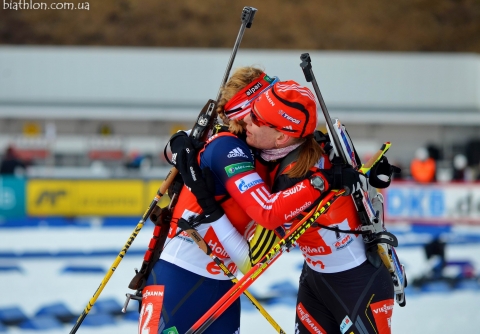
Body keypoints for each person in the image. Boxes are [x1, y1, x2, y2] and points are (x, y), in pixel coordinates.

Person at [139, 67, 356, 334]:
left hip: (224, 286)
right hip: (182, 278)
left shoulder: (265, 152)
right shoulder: (231, 147)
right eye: (267, 100)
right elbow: (257, 238)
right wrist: (178, 143)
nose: (274, 103)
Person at [179, 79, 397, 333]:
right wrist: (179, 143)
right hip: (314, 280)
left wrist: (211, 210)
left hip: (357, 281)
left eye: (256, 119)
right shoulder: (281, 145)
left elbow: (260, 239)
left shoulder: (297, 174)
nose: (247, 122)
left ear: (282, 136)